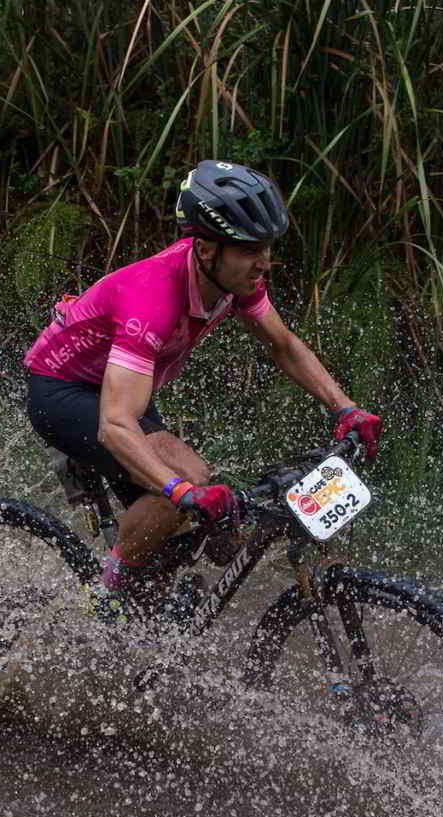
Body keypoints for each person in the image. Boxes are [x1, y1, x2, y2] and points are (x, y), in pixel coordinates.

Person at [21, 160, 383, 611]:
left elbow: (284, 345)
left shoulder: (232, 277)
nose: (264, 262)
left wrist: (345, 408)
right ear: (208, 248)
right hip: (64, 391)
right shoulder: (151, 298)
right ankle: (99, 601)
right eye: (251, 250)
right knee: (186, 483)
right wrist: (181, 491)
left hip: (123, 388)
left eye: (267, 247)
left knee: (208, 519)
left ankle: (145, 597)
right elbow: (115, 425)